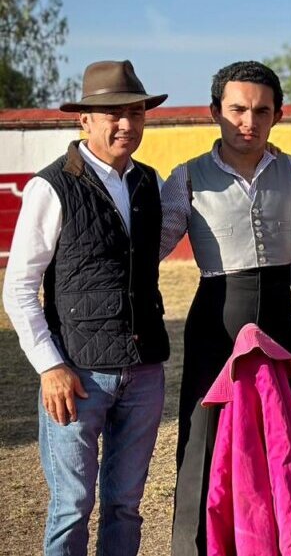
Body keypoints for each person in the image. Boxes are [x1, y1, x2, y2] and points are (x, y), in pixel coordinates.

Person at [2, 60, 170, 556]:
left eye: (135, 113)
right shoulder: (51, 186)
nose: (126, 124)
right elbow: (18, 287)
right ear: (85, 121)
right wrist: (49, 366)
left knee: (126, 505)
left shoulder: (149, 182)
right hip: (77, 373)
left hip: (143, 369)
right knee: (72, 506)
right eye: (113, 114)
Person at [158, 61, 291, 556]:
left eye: (262, 111)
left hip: (280, 324)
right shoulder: (186, 177)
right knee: (203, 442)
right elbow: (149, 249)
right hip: (215, 327)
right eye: (238, 110)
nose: (249, 121)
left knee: (275, 443)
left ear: (278, 115)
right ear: (214, 112)